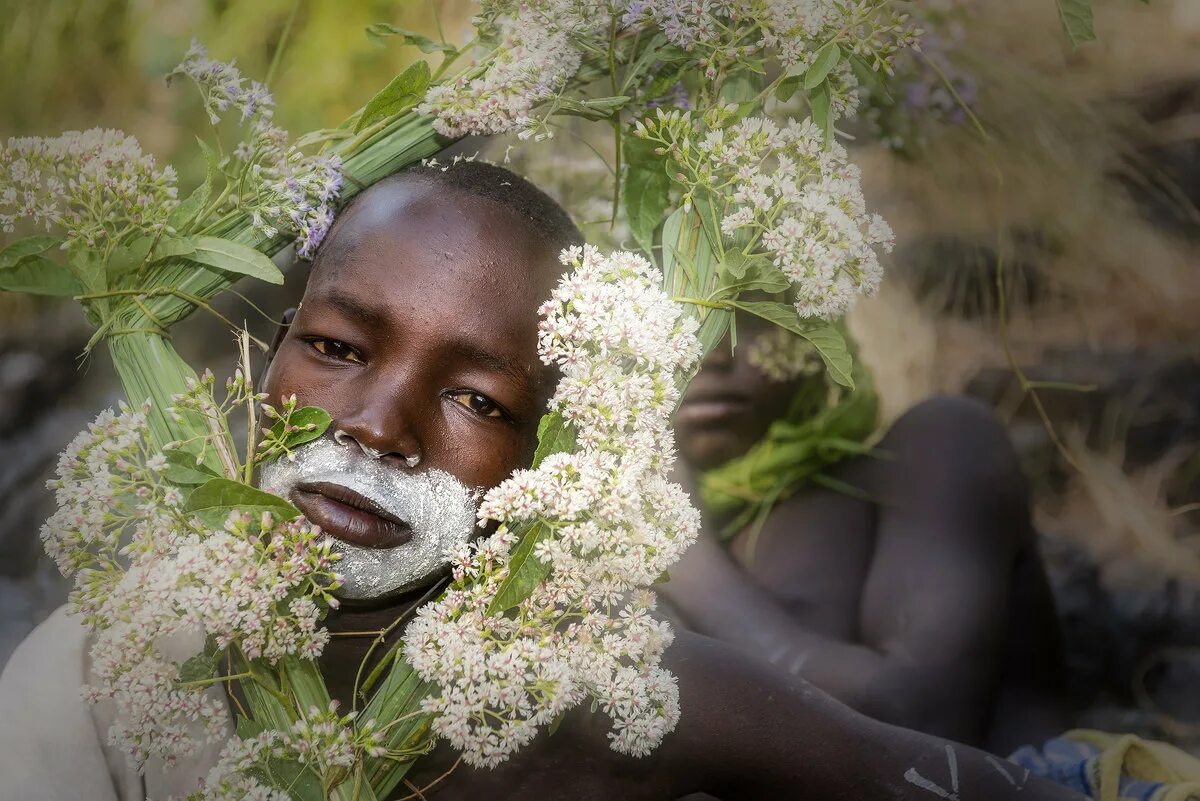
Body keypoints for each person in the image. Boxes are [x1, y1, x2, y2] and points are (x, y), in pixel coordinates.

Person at [0, 161, 1086, 801]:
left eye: (480, 401)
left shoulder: (597, 692)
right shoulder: (101, 682)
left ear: (558, 459)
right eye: (335, 348)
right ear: (263, 354)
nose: (377, 429)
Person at [663, 304, 1068, 756]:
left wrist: (687, 558)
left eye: (751, 311)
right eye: (669, 317)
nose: (710, 352)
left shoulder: (935, 451)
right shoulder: (603, 532)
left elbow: (924, 728)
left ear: (814, 322)